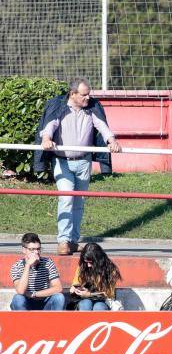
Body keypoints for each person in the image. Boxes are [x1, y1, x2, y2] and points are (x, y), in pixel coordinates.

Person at [36, 78, 122, 256]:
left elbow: (103, 126)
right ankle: (63, 241)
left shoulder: (91, 109)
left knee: (78, 202)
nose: (88, 97)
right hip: (62, 162)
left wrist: (111, 141)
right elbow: (49, 125)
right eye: (84, 94)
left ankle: (73, 241)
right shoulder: (59, 108)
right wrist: (46, 139)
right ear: (73, 94)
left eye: (89, 93)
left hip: (84, 162)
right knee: (66, 198)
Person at [10, 233, 65, 311]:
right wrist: (28, 265)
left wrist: (34, 294)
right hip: (27, 303)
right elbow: (20, 291)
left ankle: (55, 322)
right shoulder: (16, 267)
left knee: (59, 297)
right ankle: (24, 323)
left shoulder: (48, 262)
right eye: (32, 249)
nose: (36, 252)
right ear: (24, 250)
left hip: (45, 302)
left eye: (38, 249)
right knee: (17, 298)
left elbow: (58, 288)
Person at [70, 243, 122, 311]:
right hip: (84, 298)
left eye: (91, 262)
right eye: (86, 262)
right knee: (85, 304)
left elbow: (108, 294)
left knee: (99, 307)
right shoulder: (83, 266)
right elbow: (76, 283)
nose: (88, 265)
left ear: (99, 261)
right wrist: (75, 289)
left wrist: (89, 294)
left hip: (104, 300)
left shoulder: (110, 270)